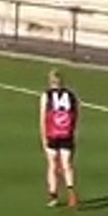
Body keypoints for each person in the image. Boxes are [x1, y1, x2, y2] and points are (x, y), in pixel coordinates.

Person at [40, 69, 79, 208]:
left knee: (52, 165)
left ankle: (53, 196)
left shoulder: (46, 95)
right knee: (67, 165)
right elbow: (75, 115)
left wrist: (43, 137)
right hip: (67, 134)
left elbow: (43, 118)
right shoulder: (71, 95)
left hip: (52, 134)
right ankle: (71, 192)